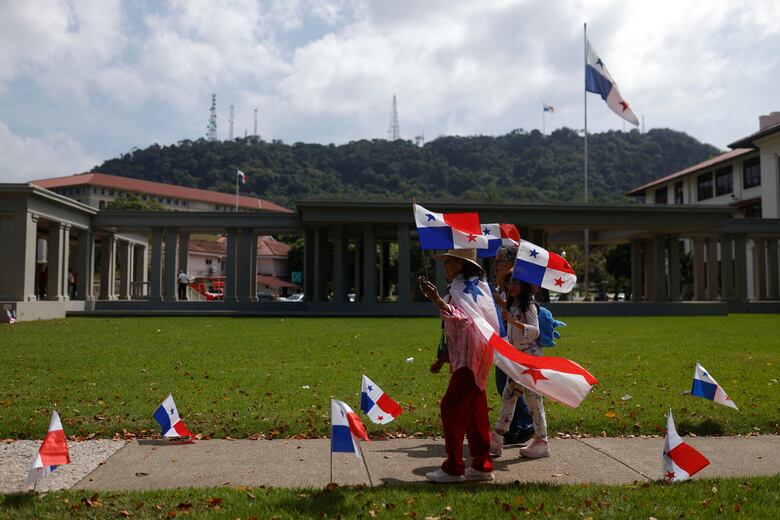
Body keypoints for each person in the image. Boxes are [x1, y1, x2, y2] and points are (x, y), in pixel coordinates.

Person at [419, 248, 496, 483]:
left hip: (470, 358)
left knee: (451, 407)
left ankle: (453, 467)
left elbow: (462, 321)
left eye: (448, 263)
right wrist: (443, 359)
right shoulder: (477, 287)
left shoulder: (462, 289)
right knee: (475, 412)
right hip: (477, 356)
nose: (446, 268)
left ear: (460, 264)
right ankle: (482, 465)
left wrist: (437, 300)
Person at [490, 279, 549, 459]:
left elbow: (534, 332)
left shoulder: (528, 305)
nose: (512, 287)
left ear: (524, 286)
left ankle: (542, 441)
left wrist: (513, 322)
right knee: (509, 397)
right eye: (509, 283)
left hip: (530, 360)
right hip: (516, 359)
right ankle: (497, 438)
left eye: (516, 283)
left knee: (533, 400)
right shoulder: (513, 304)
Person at [491, 245, 534, 445]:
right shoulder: (504, 286)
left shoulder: (514, 287)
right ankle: (516, 427)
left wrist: (500, 302)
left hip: (514, 345)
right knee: (507, 386)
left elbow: (515, 310)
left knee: (508, 385)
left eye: (498, 263)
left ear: (508, 265)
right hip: (506, 342)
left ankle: (524, 426)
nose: (495, 267)